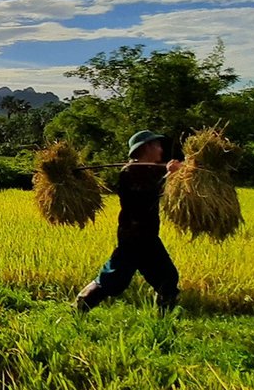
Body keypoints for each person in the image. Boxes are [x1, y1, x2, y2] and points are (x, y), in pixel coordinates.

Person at [76, 130, 183, 313]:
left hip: (147, 235)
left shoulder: (148, 169)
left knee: (167, 278)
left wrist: (178, 171)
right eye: (156, 145)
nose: (160, 149)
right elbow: (146, 196)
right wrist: (169, 175)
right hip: (134, 237)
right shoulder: (130, 172)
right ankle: (81, 304)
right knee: (114, 280)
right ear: (146, 147)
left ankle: (164, 321)